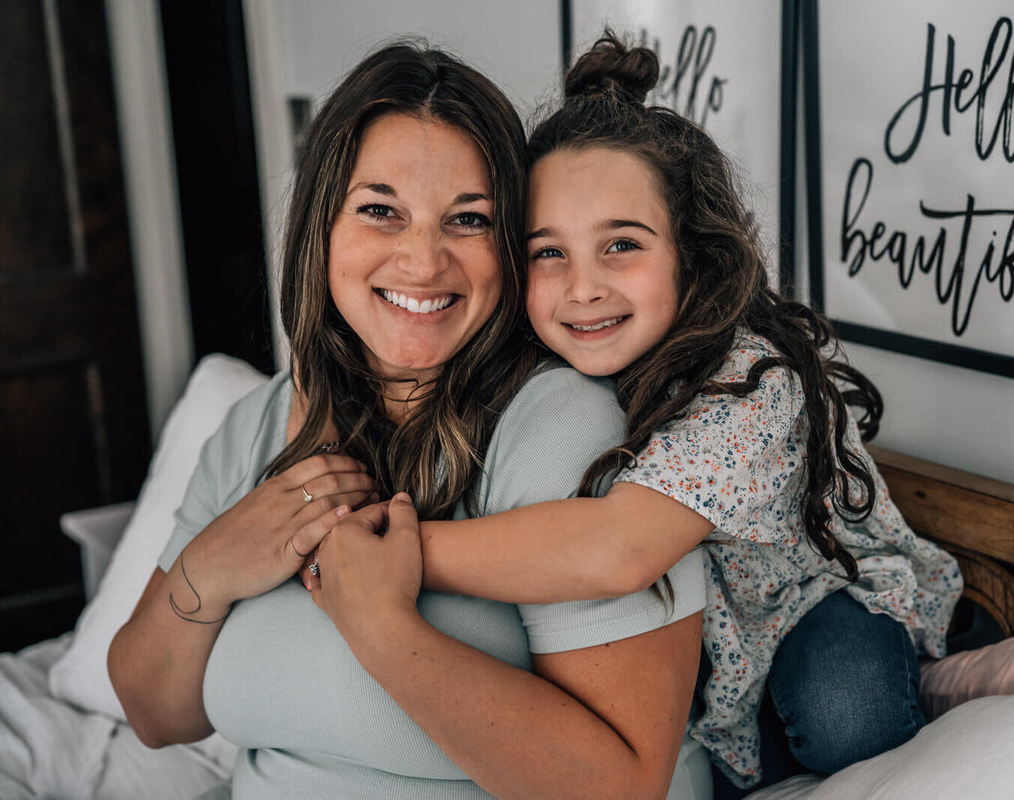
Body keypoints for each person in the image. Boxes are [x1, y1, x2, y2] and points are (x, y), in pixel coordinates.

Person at [108, 42, 712, 799]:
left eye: (469, 219)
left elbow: (621, 787)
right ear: (321, 226)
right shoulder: (256, 426)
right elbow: (156, 715)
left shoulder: (558, 431)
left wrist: (385, 632)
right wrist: (212, 565)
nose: (423, 261)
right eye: (380, 211)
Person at [408, 34, 964, 795]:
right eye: (548, 253)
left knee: (844, 709)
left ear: (692, 253)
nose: (582, 288)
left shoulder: (753, 381)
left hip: (812, 599)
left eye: (621, 246)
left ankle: (940, 678)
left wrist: (404, 554)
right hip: (708, 635)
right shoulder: (548, 370)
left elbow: (618, 550)